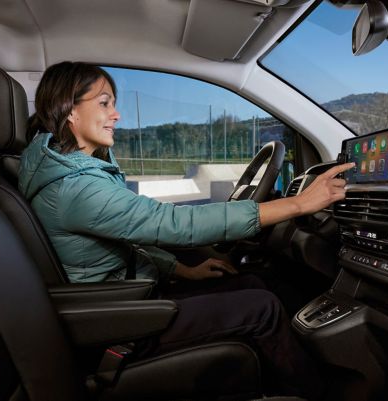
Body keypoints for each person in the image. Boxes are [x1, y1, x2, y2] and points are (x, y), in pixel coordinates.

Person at [18, 61, 354, 399]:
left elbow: (126, 242)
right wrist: (297, 205)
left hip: (128, 299)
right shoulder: (76, 188)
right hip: (122, 325)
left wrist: (182, 269)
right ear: (70, 111)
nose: (116, 114)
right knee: (262, 307)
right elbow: (173, 224)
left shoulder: (65, 172)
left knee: (251, 282)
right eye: (104, 103)